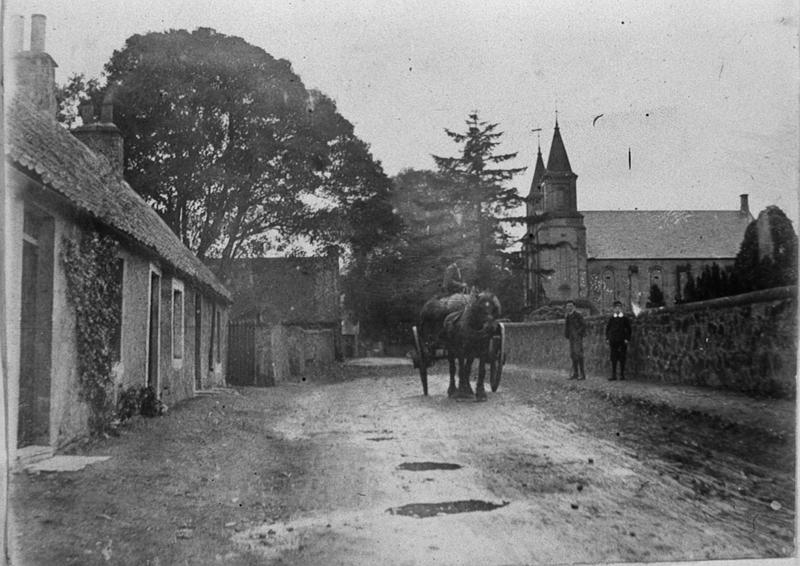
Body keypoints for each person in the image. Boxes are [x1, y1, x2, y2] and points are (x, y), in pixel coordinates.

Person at [605, 300, 632, 381]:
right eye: (616, 307)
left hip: (622, 341)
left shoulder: (624, 319)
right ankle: (613, 375)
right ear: (613, 309)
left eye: (619, 307)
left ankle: (622, 375)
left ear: (621, 308)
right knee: (613, 358)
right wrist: (607, 338)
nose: (618, 309)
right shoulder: (611, 319)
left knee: (622, 357)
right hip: (613, 341)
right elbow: (608, 329)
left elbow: (629, 329)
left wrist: (627, 338)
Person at [564, 300, 586, 380]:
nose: (569, 307)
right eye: (568, 306)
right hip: (571, 338)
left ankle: (582, 375)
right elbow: (567, 327)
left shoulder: (578, 315)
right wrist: (567, 335)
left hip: (577, 338)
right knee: (573, 355)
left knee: (579, 355)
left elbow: (583, 325)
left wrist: (578, 333)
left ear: (574, 307)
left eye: (571, 306)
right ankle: (575, 374)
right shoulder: (568, 316)